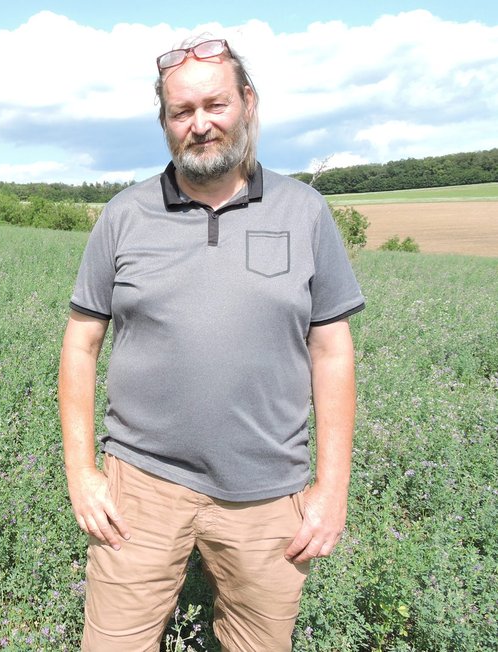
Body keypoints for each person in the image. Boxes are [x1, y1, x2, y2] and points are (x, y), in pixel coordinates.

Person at [58, 37, 365, 651]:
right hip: (138, 488)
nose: (200, 124)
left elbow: (333, 352)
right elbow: (80, 343)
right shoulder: (124, 215)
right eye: (182, 111)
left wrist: (331, 490)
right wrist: (83, 473)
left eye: (215, 104)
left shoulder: (304, 211)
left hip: (268, 495)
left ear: (248, 102)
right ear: (166, 122)